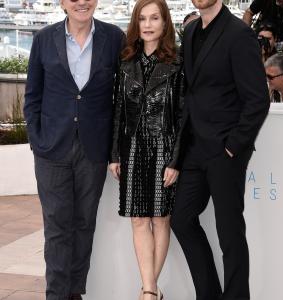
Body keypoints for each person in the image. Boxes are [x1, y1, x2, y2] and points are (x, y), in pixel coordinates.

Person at [23, 0, 124, 298]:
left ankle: (74, 292)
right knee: (57, 226)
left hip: (93, 148)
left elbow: (121, 93)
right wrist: (37, 140)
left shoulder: (113, 38)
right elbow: (32, 97)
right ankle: (56, 294)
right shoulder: (44, 39)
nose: (82, 2)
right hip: (52, 149)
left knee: (84, 225)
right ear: (62, 3)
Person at [170, 1, 270, 300]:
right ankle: (210, 294)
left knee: (230, 234)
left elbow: (257, 100)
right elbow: (192, 93)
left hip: (225, 151)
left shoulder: (239, 34)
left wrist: (233, 147)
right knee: (181, 219)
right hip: (194, 149)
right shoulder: (189, 33)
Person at [109, 0, 184, 299]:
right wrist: (114, 153)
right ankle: (150, 289)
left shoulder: (177, 63)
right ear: (136, 24)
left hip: (164, 148)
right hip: (132, 148)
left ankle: (148, 290)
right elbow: (117, 111)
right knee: (138, 219)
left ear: (165, 23)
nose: (149, 24)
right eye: (143, 18)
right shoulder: (125, 61)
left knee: (160, 218)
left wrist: (176, 159)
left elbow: (183, 115)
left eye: (155, 18)